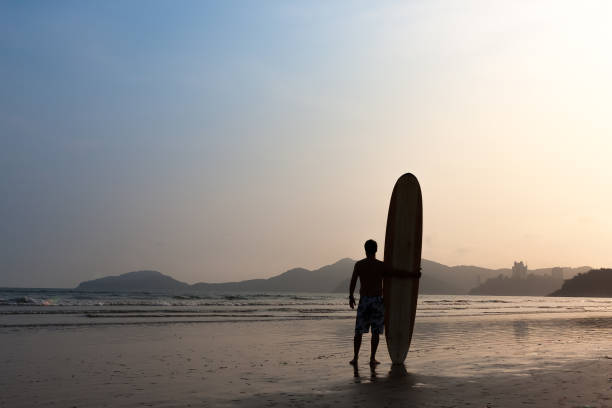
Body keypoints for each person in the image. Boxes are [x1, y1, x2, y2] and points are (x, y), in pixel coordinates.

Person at [348, 239, 420, 366]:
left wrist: (351, 296)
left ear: (365, 250)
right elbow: (397, 273)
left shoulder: (359, 264)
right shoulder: (380, 266)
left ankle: (355, 358)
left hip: (364, 300)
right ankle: (372, 358)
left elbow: (353, 281)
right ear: (376, 250)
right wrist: (413, 274)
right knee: (375, 332)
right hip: (376, 301)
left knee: (358, 331)